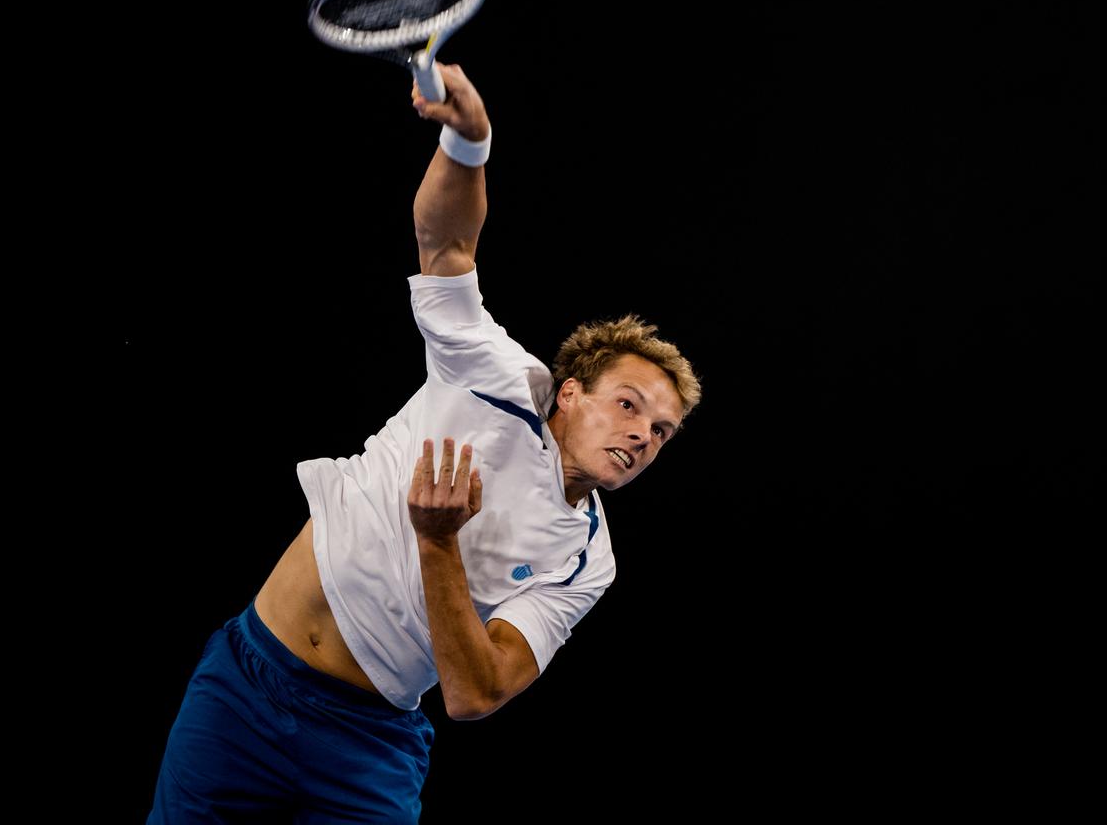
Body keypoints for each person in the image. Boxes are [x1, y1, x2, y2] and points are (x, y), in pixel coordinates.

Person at [148, 61, 702, 823]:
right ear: (569, 393)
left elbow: (477, 693)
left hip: (368, 748)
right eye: (630, 405)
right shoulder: (498, 376)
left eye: (662, 431)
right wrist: (470, 143)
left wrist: (437, 542)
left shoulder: (586, 558)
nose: (643, 433)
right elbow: (446, 247)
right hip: (245, 689)